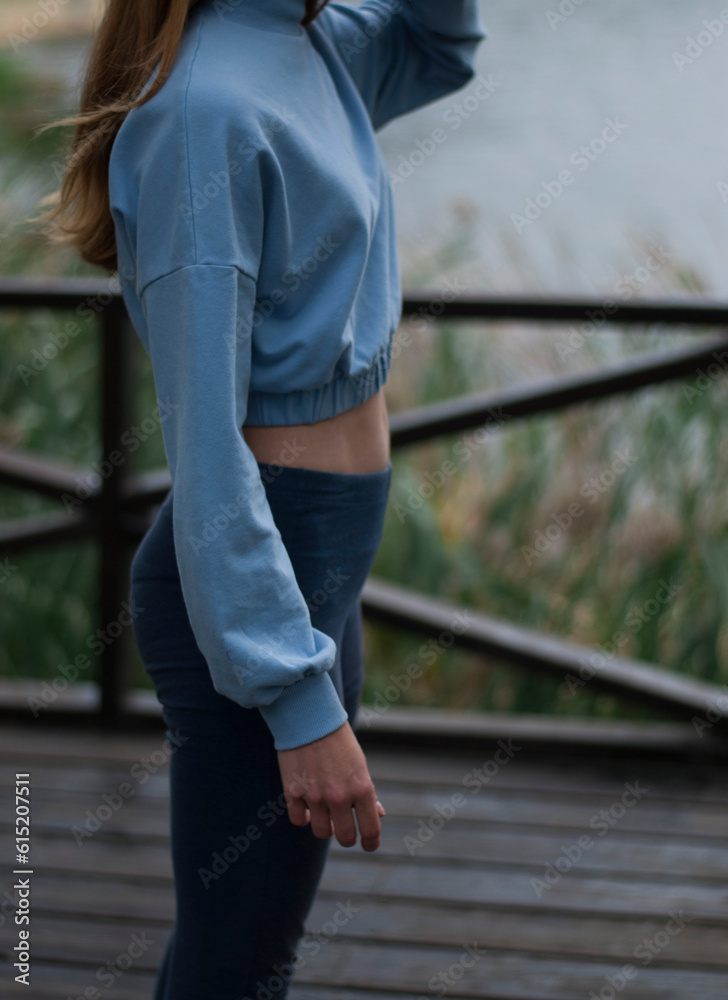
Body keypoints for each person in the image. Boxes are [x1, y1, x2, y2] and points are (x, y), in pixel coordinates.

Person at [32, 0, 486, 995]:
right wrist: (292, 696)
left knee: (251, 953)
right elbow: (205, 450)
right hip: (254, 577)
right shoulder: (205, 112)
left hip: (313, 560)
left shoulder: (307, 40)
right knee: (236, 960)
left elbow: (439, 47)